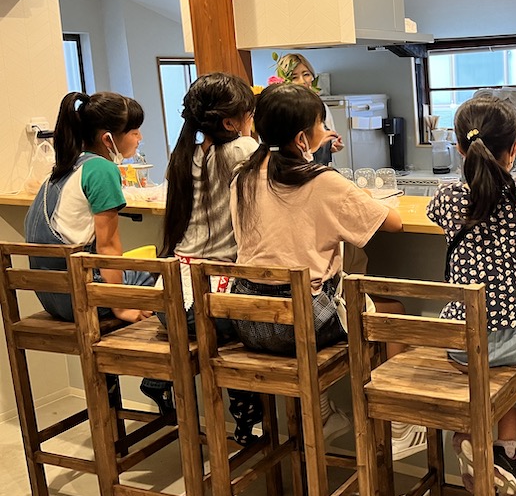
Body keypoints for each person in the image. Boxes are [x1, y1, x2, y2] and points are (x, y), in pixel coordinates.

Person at [230, 82, 403, 446]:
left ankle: (323, 414)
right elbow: (393, 223)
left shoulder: (242, 178)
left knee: (318, 300)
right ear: (302, 139)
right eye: (321, 125)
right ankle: (397, 427)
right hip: (302, 325)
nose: (325, 131)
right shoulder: (323, 181)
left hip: (248, 320)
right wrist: (360, 196)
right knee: (391, 313)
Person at [427, 96, 516, 496]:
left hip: (464, 340)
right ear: (515, 148)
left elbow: (431, 216)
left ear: (459, 148)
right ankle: (505, 448)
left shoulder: (446, 198)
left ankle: (472, 432)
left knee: (488, 360)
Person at [24, 91, 160, 407]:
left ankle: (114, 396)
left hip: (52, 296)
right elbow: (108, 246)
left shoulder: (64, 167)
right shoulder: (101, 169)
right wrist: (119, 306)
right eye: (134, 131)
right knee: (163, 276)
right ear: (108, 138)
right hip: (80, 299)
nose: (139, 138)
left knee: (141, 269)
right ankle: (156, 379)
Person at [159, 73, 262, 444]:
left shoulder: (183, 154)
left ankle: (158, 377)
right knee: (250, 333)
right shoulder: (241, 149)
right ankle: (246, 415)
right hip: (211, 303)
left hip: (170, 299)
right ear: (231, 122)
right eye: (248, 113)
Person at [275, 52, 343, 165]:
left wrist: (333, 146)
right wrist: (317, 144)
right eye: (294, 77)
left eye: (306, 74)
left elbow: (329, 139)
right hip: (295, 171)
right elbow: (283, 153)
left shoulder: (321, 107)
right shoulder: (281, 112)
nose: (302, 81)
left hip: (321, 169)